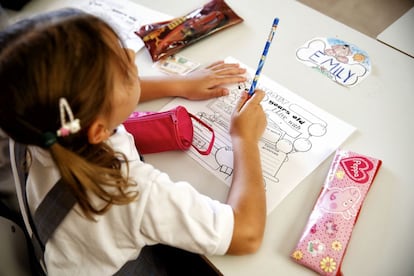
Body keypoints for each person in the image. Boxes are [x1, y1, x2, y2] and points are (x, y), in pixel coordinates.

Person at [0, 8, 267, 275]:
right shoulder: (130, 191)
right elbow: (246, 235)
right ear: (98, 131)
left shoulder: (33, 125)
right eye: (127, 70)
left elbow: (101, 99)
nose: (131, 55)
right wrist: (244, 139)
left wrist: (180, 85)